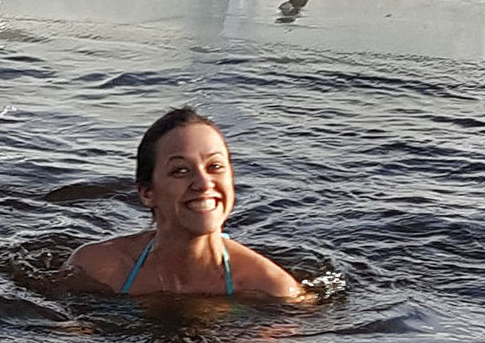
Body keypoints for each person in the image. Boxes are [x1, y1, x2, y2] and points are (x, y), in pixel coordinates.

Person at [68, 108, 308, 300]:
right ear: (147, 193)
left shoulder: (271, 289)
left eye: (215, 167)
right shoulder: (96, 268)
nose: (203, 183)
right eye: (180, 171)